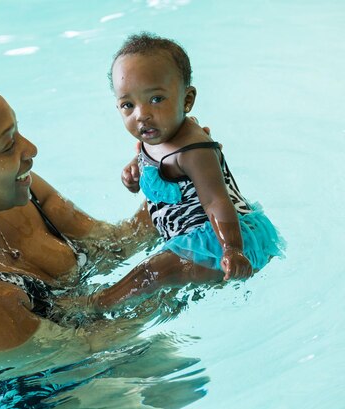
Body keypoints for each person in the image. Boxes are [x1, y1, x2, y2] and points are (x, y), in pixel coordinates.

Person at [0, 74, 236, 358]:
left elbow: (111, 245)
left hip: (68, 353)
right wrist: (176, 278)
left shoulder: (9, 190)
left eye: (16, 131)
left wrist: (181, 178)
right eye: (8, 144)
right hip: (6, 397)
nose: (30, 150)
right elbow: (87, 349)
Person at [111, 33, 285, 283]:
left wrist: (232, 250)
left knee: (151, 273)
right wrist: (133, 171)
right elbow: (149, 161)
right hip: (188, 233)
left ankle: (95, 304)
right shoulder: (155, 134)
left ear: (187, 100)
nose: (142, 114)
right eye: (128, 104)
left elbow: (215, 201)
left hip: (220, 241)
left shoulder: (193, 151)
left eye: (156, 99)